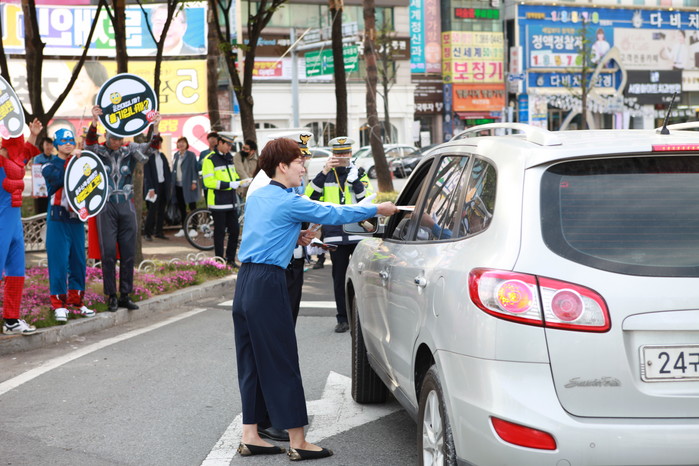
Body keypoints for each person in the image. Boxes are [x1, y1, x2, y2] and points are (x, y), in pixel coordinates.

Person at [232, 137, 398, 460]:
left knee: (250, 360)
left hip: (245, 282)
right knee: (283, 360)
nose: (303, 168)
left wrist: (294, 235)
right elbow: (332, 211)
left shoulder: (258, 196)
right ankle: (298, 441)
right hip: (268, 283)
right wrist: (377, 208)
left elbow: (263, 230)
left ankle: (251, 435)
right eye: (299, 163)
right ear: (282, 166)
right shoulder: (289, 200)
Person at [85, 104, 161, 312]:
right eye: (114, 139)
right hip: (106, 206)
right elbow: (89, 143)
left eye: (120, 139)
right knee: (108, 252)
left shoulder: (130, 149)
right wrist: (94, 121)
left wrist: (155, 126)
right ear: (107, 136)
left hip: (126, 204)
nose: (117, 143)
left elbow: (152, 147)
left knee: (128, 253)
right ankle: (111, 295)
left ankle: (125, 295)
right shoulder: (99, 150)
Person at [305, 136, 374, 333]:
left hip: (358, 234)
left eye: (345, 153)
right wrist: (324, 172)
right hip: (335, 234)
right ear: (332, 155)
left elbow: (368, 201)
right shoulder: (326, 175)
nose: (342, 157)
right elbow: (309, 197)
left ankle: (364, 317)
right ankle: (342, 318)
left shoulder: (360, 173)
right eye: (338, 154)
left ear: (351, 154)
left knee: (362, 277)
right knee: (339, 278)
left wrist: (356, 181)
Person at [42, 129, 97, 323]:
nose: (68, 143)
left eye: (71, 140)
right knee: (58, 263)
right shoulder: (49, 165)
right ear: (56, 144)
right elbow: (58, 180)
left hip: (76, 219)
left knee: (78, 262)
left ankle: (76, 302)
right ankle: (58, 304)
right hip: (57, 219)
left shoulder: (79, 162)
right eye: (63, 140)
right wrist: (71, 161)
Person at [1, 118, 43, 335]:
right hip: (1, 222)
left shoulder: (16, 161)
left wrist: (33, 134)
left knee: (17, 272)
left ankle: (11, 320)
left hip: (14, 223)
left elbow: (25, 152)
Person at [201, 132, 248, 266]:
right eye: (227, 144)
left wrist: (240, 182)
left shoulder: (229, 157)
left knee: (234, 231)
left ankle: (230, 260)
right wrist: (230, 185)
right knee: (220, 233)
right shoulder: (209, 159)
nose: (229, 147)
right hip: (218, 202)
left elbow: (231, 177)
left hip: (231, 201)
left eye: (231, 145)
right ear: (220, 143)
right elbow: (209, 182)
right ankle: (219, 261)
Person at [143, 136, 172, 241]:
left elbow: (167, 171)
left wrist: (169, 185)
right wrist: (150, 188)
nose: (158, 145)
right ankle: (147, 232)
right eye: (157, 143)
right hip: (153, 187)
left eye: (159, 143)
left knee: (161, 210)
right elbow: (147, 174)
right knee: (152, 210)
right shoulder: (148, 157)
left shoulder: (162, 156)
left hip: (163, 185)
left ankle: (159, 232)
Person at [171, 136, 201, 238]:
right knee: (181, 207)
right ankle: (183, 228)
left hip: (189, 184)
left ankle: (194, 228)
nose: (181, 144)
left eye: (183, 142)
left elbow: (194, 169)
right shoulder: (176, 155)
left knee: (192, 206)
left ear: (186, 144)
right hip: (178, 185)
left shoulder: (191, 155)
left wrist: (194, 182)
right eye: (179, 142)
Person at [31, 136, 55, 214]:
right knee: (40, 212)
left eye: (51, 144)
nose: (49, 147)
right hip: (40, 190)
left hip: (52, 191)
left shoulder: (55, 159)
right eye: (47, 144)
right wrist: (34, 190)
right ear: (42, 146)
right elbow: (35, 175)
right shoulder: (37, 159)